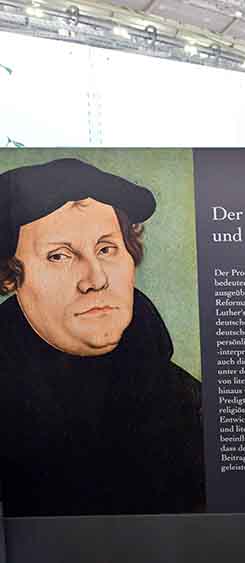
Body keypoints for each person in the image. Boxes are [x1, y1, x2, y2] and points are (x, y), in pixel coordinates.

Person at [0, 157, 205, 517]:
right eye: (60, 256)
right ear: (9, 277)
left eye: (107, 249)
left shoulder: (188, 401)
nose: (95, 279)